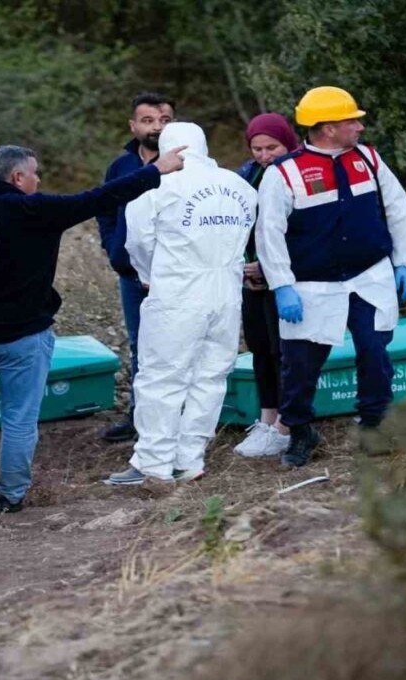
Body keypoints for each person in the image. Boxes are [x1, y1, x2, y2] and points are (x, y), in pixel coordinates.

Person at [0, 143, 187, 518]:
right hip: (24, 337)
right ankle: (11, 496)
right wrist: (155, 171)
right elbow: (100, 197)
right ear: (17, 177)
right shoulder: (36, 210)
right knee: (19, 420)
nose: (38, 179)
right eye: (34, 172)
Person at [256, 86, 406, 469]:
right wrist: (282, 286)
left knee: (375, 353)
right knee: (300, 365)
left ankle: (374, 424)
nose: (360, 127)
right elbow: (269, 233)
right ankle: (300, 431)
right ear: (328, 128)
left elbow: (398, 207)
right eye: (352, 121)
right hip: (311, 285)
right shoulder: (283, 173)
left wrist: (405, 262)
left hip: (369, 277)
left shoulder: (369, 158)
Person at [104, 122, 258, 485]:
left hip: (177, 290)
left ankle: (153, 463)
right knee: (210, 376)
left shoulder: (156, 186)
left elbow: (137, 242)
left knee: (162, 376)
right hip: (225, 293)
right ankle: (189, 458)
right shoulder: (240, 186)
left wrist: (149, 274)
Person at [95, 92, 176, 443]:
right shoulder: (121, 166)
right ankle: (139, 416)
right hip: (131, 277)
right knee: (140, 345)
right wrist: (112, 245)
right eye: (148, 120)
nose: (157, 127)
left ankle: (177, 419)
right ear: (133, 126)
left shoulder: (186, 164)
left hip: (175, 275)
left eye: (164, 120)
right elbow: (105, 207)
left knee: (176, 345)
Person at [232, 113, 302, 458]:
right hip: (251, 276)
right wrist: (244, 266)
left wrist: (269, 265)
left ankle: (286, 425)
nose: (263, 155)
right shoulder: (246, 174)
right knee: (259, 346)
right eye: (256, 148)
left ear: (287, 143)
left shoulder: (298, 174)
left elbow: (299, 229)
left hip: (286, 276)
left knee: (281, 350)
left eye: (271, 147)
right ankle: (267, 418)